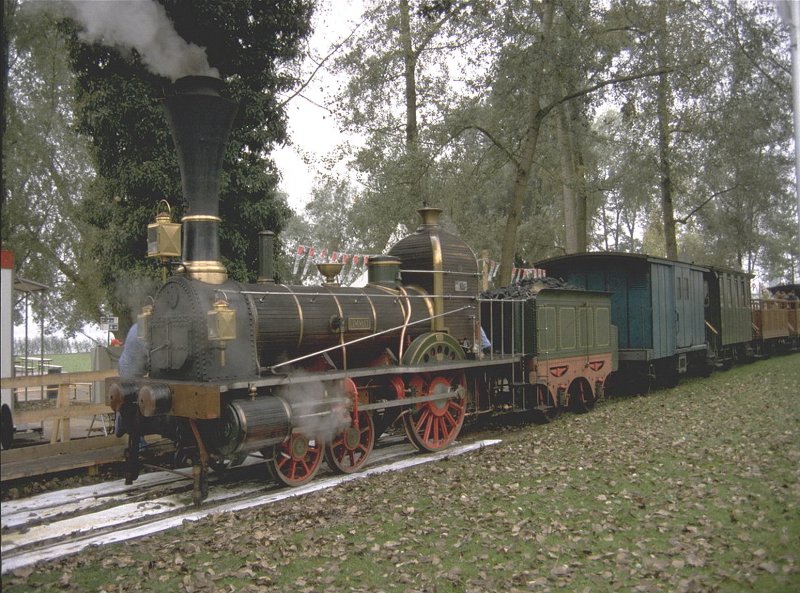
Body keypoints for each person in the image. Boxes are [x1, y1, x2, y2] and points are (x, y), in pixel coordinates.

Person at [115, 324, 148, 450]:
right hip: (130, 370)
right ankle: (137, 441)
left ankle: (134, 436)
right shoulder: (142, 330)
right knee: (132, 401)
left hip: (128, 366)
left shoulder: (137, 326)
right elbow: (150, 352)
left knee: (130, 401)